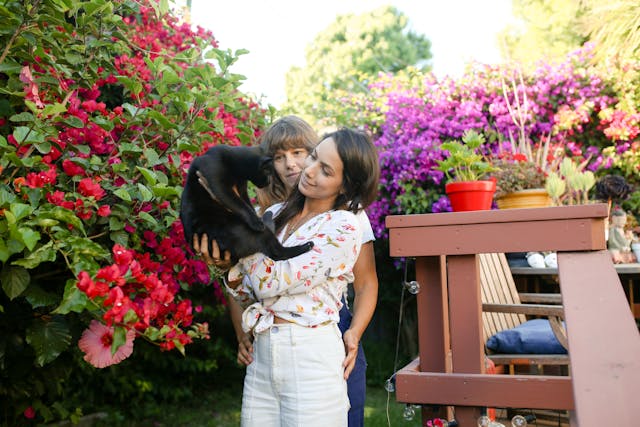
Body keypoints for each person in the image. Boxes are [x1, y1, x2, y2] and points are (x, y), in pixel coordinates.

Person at [196, 128, 380, 426]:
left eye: (325, 170)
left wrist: (236, 217)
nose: (309, 171)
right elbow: (250, 294)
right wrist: (225, 268)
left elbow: (270, 281)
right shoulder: (276, 214)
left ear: (345, 186)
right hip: (264, 355)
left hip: (309, 355)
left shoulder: (343, 226)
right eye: (315, 158)